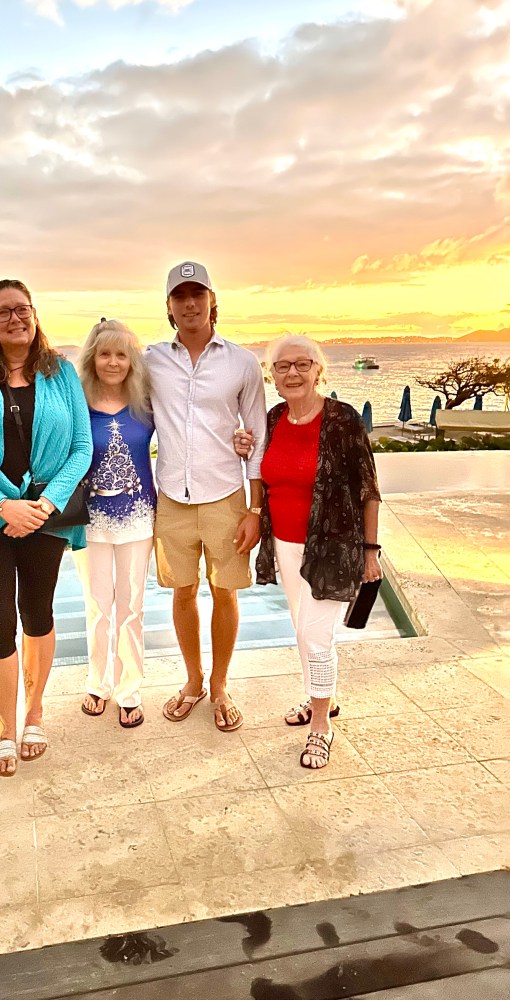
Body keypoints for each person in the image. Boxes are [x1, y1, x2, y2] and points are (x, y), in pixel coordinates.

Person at [0, 279, 92, 777]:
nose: (14, 318)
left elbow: (81, 448)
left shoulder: (61, 373)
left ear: (34, 314)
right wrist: (2, 504)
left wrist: (45, 504)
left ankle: (34, 712)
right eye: (3, 311)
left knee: (37, 612)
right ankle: (6, 725)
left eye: (22, 309)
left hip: (45, 518)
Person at [144, 261, 267, 732]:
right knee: (182, 592)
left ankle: (220, 684)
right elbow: (113, 398)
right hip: (171, 494)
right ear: (170, 307)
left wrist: (254, 509)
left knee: (225, 593)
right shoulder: (151, 359)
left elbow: (256, 437)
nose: (190, 303)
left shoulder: (241, 362)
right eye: (180, 296)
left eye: (198, 294)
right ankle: (192, 681)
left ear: (213, 302)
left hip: (225, 495)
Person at [253, 334, 382, 768]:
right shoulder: (272, 419)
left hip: (333, 545)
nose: (292, 373)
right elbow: (264, 473)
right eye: (283, 366)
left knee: (315, 636)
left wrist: (370, 552)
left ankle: (321, 726)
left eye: (301, 364)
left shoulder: (342, 420)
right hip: (284, 544)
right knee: (302, 629)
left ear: (317, 369)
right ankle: (319, 700)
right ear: (273, 376)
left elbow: (368, 489)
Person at [74, 319, 156, 728]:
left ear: (131, 360)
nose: (113, 362)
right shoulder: (78, 403)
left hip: (140, 519)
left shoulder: (145, 404)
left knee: (131, 608)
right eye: (105, 353)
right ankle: (98, 682)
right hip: (89, 520)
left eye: (121, 354)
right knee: (97, 607)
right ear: (93, 358)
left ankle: (129, 689)